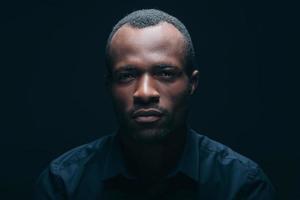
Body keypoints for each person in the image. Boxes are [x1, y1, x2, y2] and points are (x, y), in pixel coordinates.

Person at [34, 9, 276, 200]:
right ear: (109, 85)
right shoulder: (63, 184)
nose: (145, 92)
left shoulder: (242, 185)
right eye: (127, 75)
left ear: (192, 83)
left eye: (165, 73)